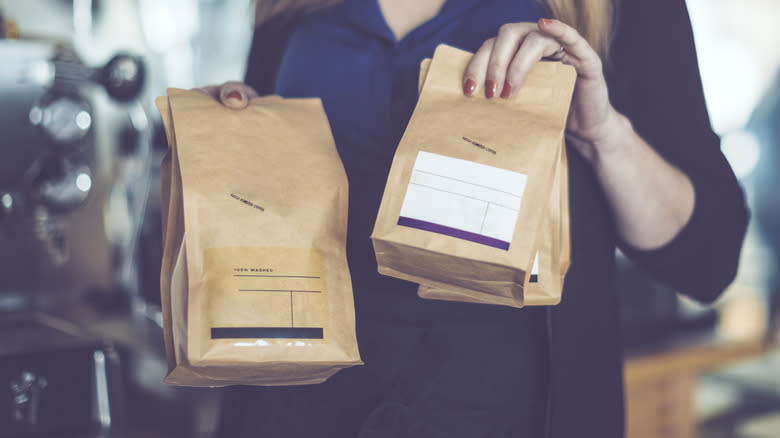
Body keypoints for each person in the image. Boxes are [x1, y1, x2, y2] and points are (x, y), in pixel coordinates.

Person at [195, 0, 749, 436]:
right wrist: (237, 129)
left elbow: (710, 257)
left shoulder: (612, 7)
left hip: (504, 409)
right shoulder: (290, 8)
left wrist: (603, 133)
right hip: (292, 404)